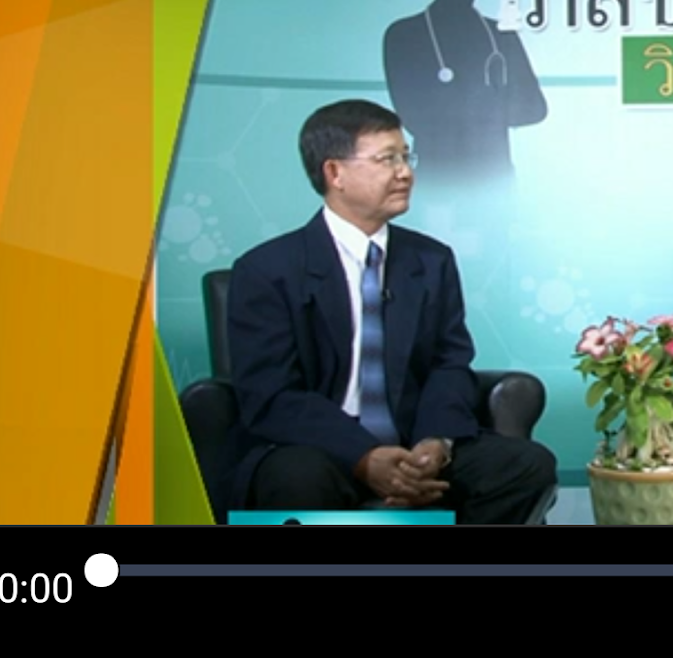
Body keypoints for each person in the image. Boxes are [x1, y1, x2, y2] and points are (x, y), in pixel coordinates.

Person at [222, 99, 557, 524]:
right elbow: (272, 394)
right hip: (314, 446)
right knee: (297, 477)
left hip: (412, 442)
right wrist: (364, 455)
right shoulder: (267, 270)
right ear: (335, 173)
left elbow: (449, 364)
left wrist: (435, 443)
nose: (405, 173)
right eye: (386, 159)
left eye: (405, 157)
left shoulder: (430, 260)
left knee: (525, 466)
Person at [382, 0, 547, 186]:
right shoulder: (405, 35)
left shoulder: (501, 36)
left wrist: (459, 104)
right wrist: (492, 103)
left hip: (495, 181)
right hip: (437, 181)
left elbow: (535, 108)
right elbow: (414, 118)